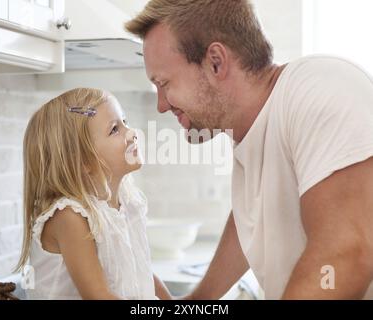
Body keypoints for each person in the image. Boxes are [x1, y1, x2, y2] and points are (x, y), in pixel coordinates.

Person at [125, 0, 373, 299]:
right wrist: (198, 301)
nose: (161, 104)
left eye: (163, 83)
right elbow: (255, 216)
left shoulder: (319, 88)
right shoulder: (250, 133)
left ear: (215, 62)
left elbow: (343, 255)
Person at [15, 88, 172, 300]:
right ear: (83, 161)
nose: (132, 132)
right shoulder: (70, 216)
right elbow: (98, 296)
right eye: (115, 129)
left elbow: (140, 269)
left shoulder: (127, 201)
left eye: (124, 121)